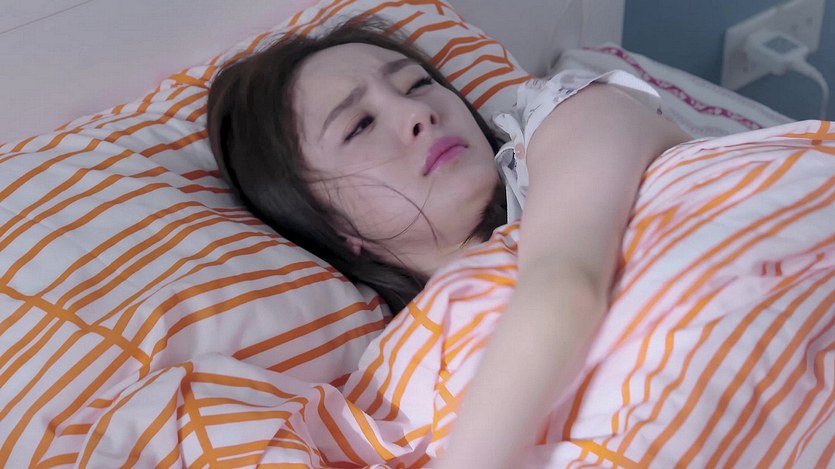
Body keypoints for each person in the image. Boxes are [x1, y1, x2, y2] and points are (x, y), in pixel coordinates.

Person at [206, 16, 691, 469]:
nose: (417, 112)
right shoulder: (396, 372)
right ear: (330, 225)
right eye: (360, 125)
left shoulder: (570, 117)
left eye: (417, 83)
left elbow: (564, 285)